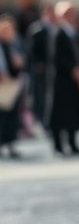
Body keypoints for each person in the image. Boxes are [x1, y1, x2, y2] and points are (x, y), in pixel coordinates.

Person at [46, 2, 79, 156]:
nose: (72, 16)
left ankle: (72, 143)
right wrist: (72, 69)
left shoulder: (73, 33)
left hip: (72, 80)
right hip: (61, 79)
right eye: (69, 13)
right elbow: (56, 57)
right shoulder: (58, 32)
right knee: (59, 113)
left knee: (72, 112)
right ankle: (58, 145)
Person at [25, 3, 56, 129]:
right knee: (39, 94)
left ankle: (46, 119)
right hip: (39, 68)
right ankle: (40, 120)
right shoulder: (37, 28)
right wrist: (37, 63)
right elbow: (31, 49)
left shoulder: (53, 28)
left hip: (50, 67)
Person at [0, 15, 25, 158]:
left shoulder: (14, 45)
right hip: (2, 86)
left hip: (12, 85)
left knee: (12, 116)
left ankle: (10, 143)